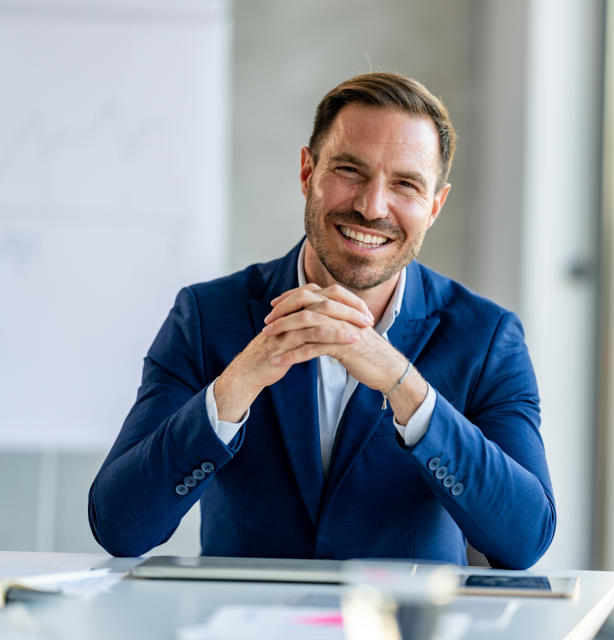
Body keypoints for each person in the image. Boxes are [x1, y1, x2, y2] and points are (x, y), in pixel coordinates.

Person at [88, 72, 555, 569]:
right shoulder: (206, 316)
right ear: (308, 172)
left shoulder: (487, 337)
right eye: (350, 171)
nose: (371, 206)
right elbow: (120, 526)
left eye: (405, 184)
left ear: (434, 206)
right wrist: (239, 382)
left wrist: (404, 388)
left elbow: (524, 539)